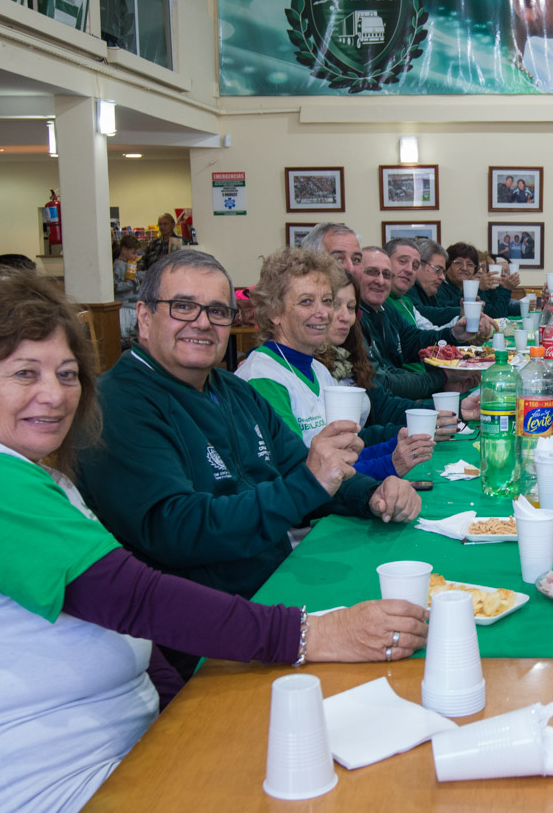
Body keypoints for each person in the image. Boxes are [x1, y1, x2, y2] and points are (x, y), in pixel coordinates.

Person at [0, 271, 428, 813]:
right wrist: (309, 634)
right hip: (3, 809)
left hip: (93, 753)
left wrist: (178, 713)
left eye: (67, 374)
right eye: (24, 373)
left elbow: (118, 622)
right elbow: (132, 595)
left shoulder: (17, 467)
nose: (53, 395)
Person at [74, 249, 423, 604]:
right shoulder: (115, 405)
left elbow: (300, 465)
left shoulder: (233, 390)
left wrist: (372, 494)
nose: (202, 322)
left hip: (277, 579)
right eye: (183, 306)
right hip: (209, 613)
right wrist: (309, 483)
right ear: (145, 318)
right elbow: (177, 529)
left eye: (217, 311)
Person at [236, 250, 477, 481]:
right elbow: (303, 476)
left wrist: (407, 440)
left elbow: (347, 452)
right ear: (274, 312)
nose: (324, 313)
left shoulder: (318, 369)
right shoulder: (262, 376)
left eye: (327, 301)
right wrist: (389, 463)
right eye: (307, 302)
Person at [354, 247, 482, 401]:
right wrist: (442, 378)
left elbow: (414, 341)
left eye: (386, 274)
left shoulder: (386, 308)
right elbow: (385, 382)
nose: (380, 280)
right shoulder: (354, 319)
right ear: (355, 274)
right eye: (372, 272)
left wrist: (454, 334)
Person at [113, 234, 142, 343]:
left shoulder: (130, 265)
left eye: (137, 253)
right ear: (124, 250)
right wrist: (131, 283)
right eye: (133, 253)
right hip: (124, 307)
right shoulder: (119, 266)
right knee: (126, 338)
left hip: (133, 306)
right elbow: (116, 286)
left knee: (134, 336)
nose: (135, 256)